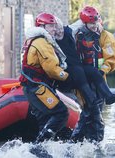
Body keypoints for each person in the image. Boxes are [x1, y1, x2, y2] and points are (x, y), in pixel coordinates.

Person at [63, 5, 115, 143]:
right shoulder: (76, 35)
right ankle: (89, 144)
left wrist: (102, 71)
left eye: (96, 22)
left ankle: (83, 143)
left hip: (98, 79)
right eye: (91, 23)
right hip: (82, 81)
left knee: (93, 112)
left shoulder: (106, 37)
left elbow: (111, 59)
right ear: (84, 23)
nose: (95, 26)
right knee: (90, 112)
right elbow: (64, 34)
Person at [19, 12, 71, 143]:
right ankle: (39, 145)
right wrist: (67, 77)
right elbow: (52, 69)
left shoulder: (33, 39)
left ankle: (42, 149)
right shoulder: (42, 42)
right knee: (61, 113)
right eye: (51, 26)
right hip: (38, 88)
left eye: (54, 26)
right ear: (42, 26)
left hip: (32, 88)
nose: (54, 29)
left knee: (45, 119)